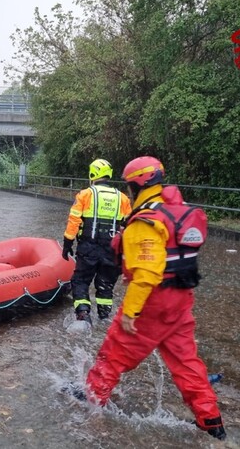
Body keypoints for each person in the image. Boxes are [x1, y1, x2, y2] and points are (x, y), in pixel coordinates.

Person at [82, 156, 226, 440]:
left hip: (151, 303)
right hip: (181, 302)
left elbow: (147, 273)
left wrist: (129, 313)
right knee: (188, 365)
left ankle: (90, 405)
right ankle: (211, 422)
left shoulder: (144, 221)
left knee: (112, 356)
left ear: (136, 185)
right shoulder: (176, 211)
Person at [62, 159, 132, 324]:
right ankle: (104, 317)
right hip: (112, 250)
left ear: (92, 174)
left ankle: (83, 315)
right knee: (105, 285)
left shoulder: (85, 194)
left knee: (80, 280)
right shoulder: (123, 198)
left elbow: (74, 221)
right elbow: (129, 226)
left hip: (88, 248)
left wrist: (67, 244)